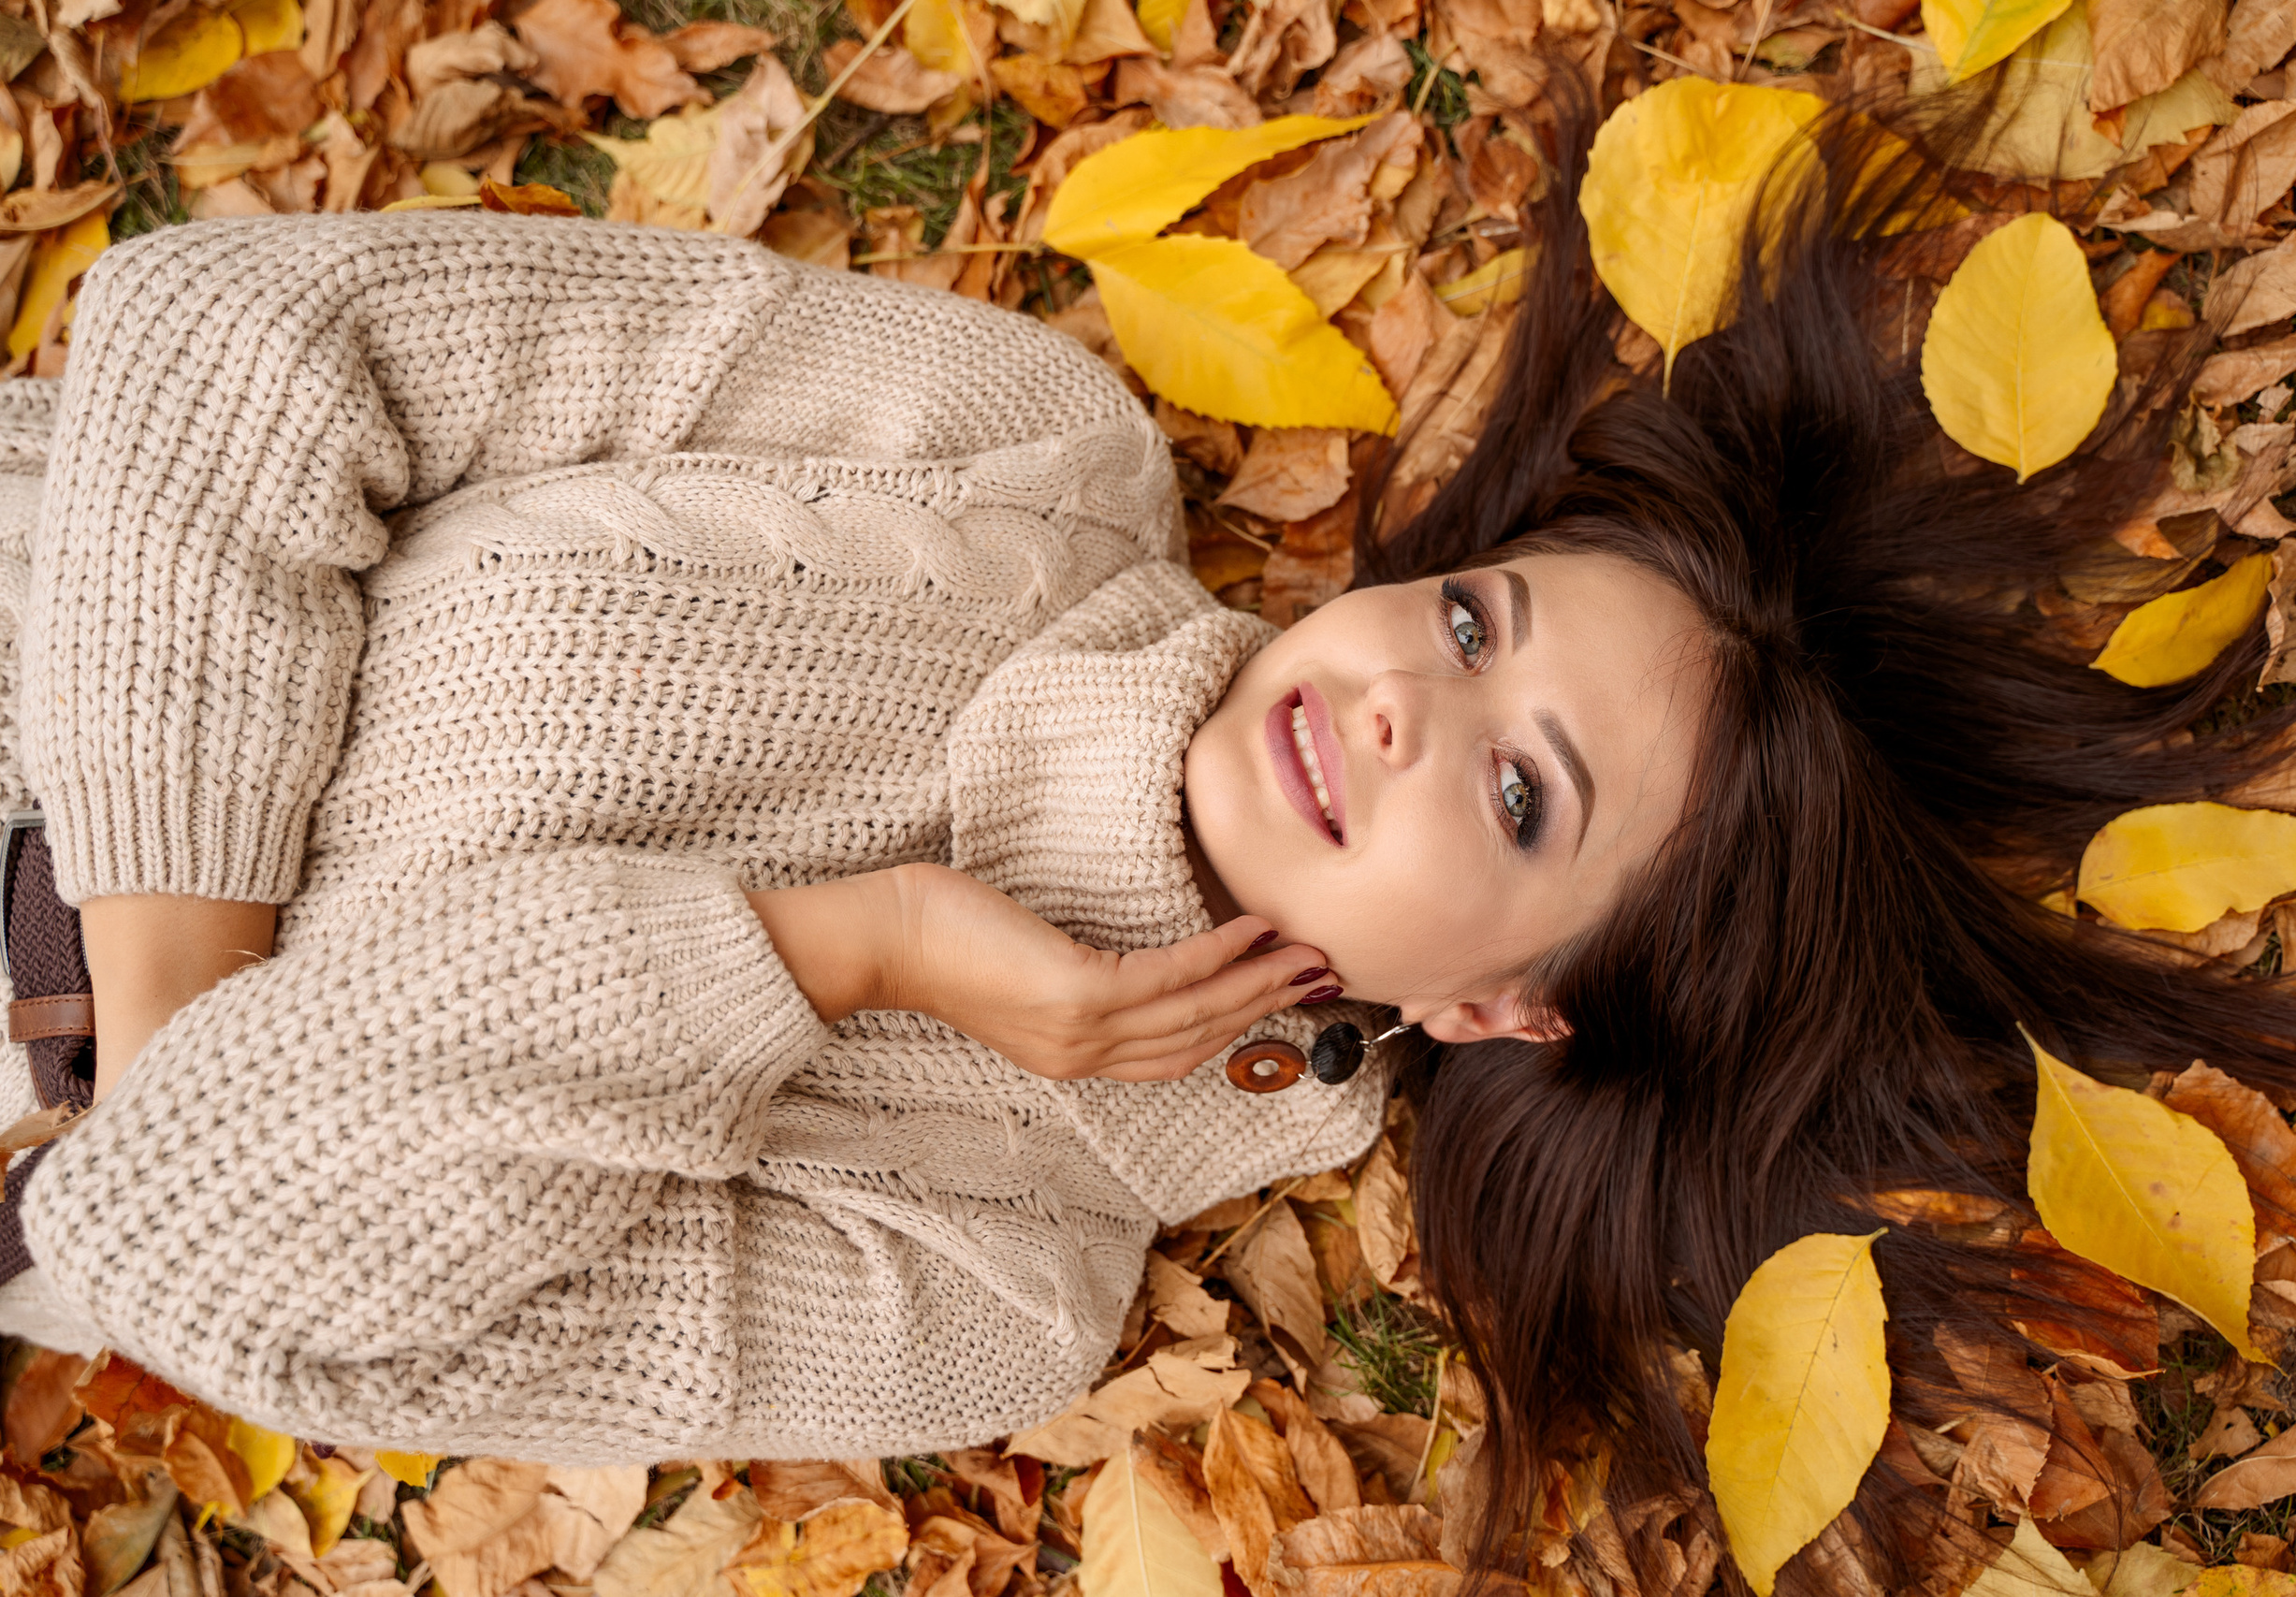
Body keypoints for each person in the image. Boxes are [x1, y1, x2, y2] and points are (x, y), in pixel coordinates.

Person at [0, 180, 1708, 1466]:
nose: (1412, 698)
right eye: (1477, 624)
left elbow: (198, 1265)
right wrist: (182, 1043)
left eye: (1518, 790)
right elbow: (230, 330)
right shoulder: (1020, 448)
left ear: (1502, 1007)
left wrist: (825, 952)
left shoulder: (995, 1286)